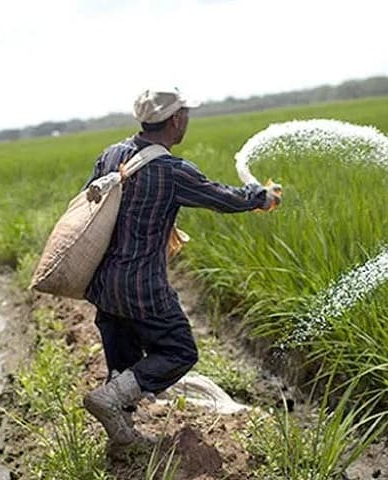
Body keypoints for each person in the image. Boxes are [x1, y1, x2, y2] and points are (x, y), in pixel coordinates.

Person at [82, 87, 281, 449]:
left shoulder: (112, 155)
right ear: (176, 120)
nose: (187, 119)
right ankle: (109, 401)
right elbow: (221, 197)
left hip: (103, 283)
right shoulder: (170, 170)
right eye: (185, 113)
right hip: (142, 286)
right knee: (179, 352)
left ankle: (121, 439)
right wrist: (261, 197)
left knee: (125, 363)